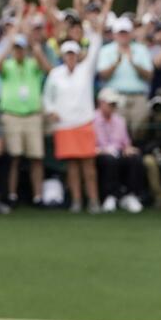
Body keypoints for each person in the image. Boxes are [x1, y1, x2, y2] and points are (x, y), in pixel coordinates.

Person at [42, 39, 102, 214]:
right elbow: (47, 97)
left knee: (88, 167)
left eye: (73, 54)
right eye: (67, 54)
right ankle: (76, 201)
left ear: (77, 55)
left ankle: (93, 200)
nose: (70, 57)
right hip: (64, 125)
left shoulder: (86, 70)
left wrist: (95, 27)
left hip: (84, 123)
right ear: (63, 56)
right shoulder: (55, 74)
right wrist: (51, 110)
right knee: (72, 167)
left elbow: (95, 46)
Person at [0, 31, 51, 206]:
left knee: (36, 157)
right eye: (16, 49)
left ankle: (38, 196)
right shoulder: (8, 65)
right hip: (12, 115)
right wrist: (8, 45)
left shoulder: (32, 64)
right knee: (14, 157)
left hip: (32, 115)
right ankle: (12, 195)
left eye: (21, 49)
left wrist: (35, 48)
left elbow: (47, 69)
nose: (19, 52)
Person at [93, 88, 143, 214]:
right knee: (109, 160)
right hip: (99, 154)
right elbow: (90, 144)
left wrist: (128, 149)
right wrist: (101, 151)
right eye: (110, 104)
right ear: (101, 103)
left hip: (118, 152)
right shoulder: (91, 119)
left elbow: (126, 143)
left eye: (114, 104)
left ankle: (131, 195)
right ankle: (110, 196)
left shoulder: (119, 120)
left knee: (134, 158)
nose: (113, 107)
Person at [97, 17, 153, 126]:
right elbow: (103, 75)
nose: (123, 36)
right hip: (114, 97)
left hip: (139, 96)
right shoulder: (106, 50)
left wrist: (134, 64)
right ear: (114, 34)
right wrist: (116, 63)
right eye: (120, 33)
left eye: (126, 33)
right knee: (118, 129)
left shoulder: (141, 49)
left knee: (140, 128)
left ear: (131, 34)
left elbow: (149, 75)